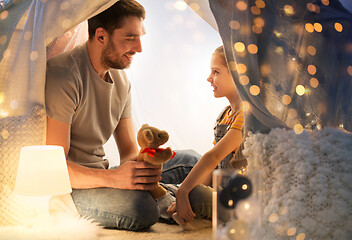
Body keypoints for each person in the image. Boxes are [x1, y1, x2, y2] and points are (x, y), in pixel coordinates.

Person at [45, 0, 200, 231]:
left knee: (192, 161)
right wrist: (115, 178)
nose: (139, 48)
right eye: (130, 38)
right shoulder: (64, 74)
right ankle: (176, 196)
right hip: (72, 187)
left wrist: (143, 167)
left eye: (140, 37)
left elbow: (128, 152)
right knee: (142, 209)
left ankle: (176, 194)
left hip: (105, 175)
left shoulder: (120, 81)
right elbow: (54, 166)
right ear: (100, 36)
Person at [167, 46, 244, 225]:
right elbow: (214, 167)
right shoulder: (225, 115)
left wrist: (184, 192)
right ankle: (170, 201)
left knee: (194, 194)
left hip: (239, 202)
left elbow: (213, 156)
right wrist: (185, 190)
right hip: (220, 190)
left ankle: (171, 203)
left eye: (215, 72)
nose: (209, 78)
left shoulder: (247, 114)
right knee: (187, 188)